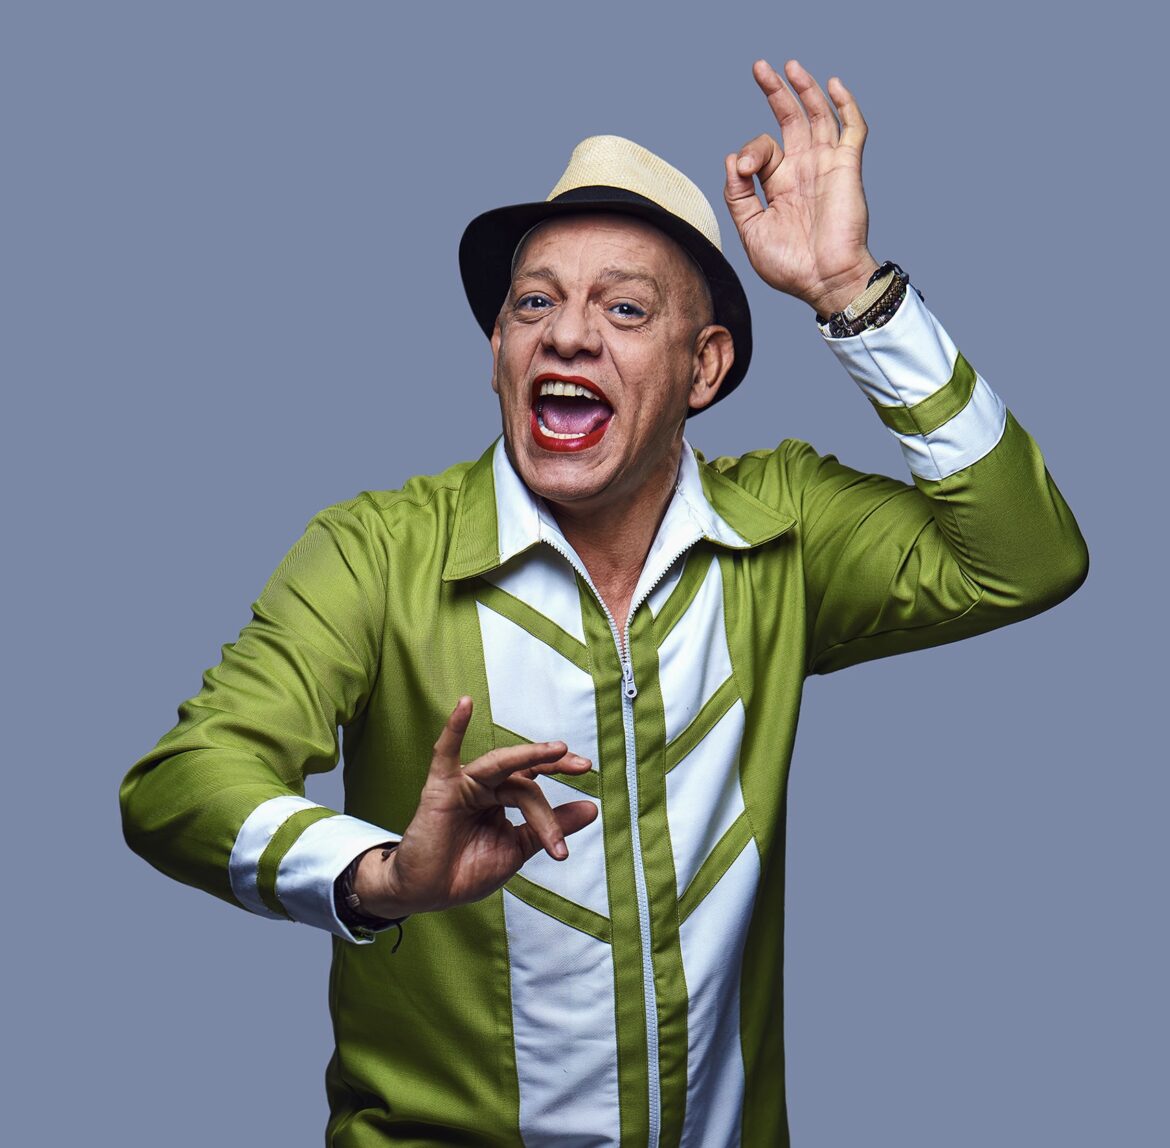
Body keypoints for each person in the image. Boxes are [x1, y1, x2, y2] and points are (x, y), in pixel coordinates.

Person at [121, 58, 1087, 1147]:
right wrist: (381, 874)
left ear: (704, 368)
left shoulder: (783, 530)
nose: (567, 335)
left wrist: (851, 290)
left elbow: (1027, 556)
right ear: (499, 352)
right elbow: (180, 785)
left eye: (625, 308)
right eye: (533, 302)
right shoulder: (377, 552)